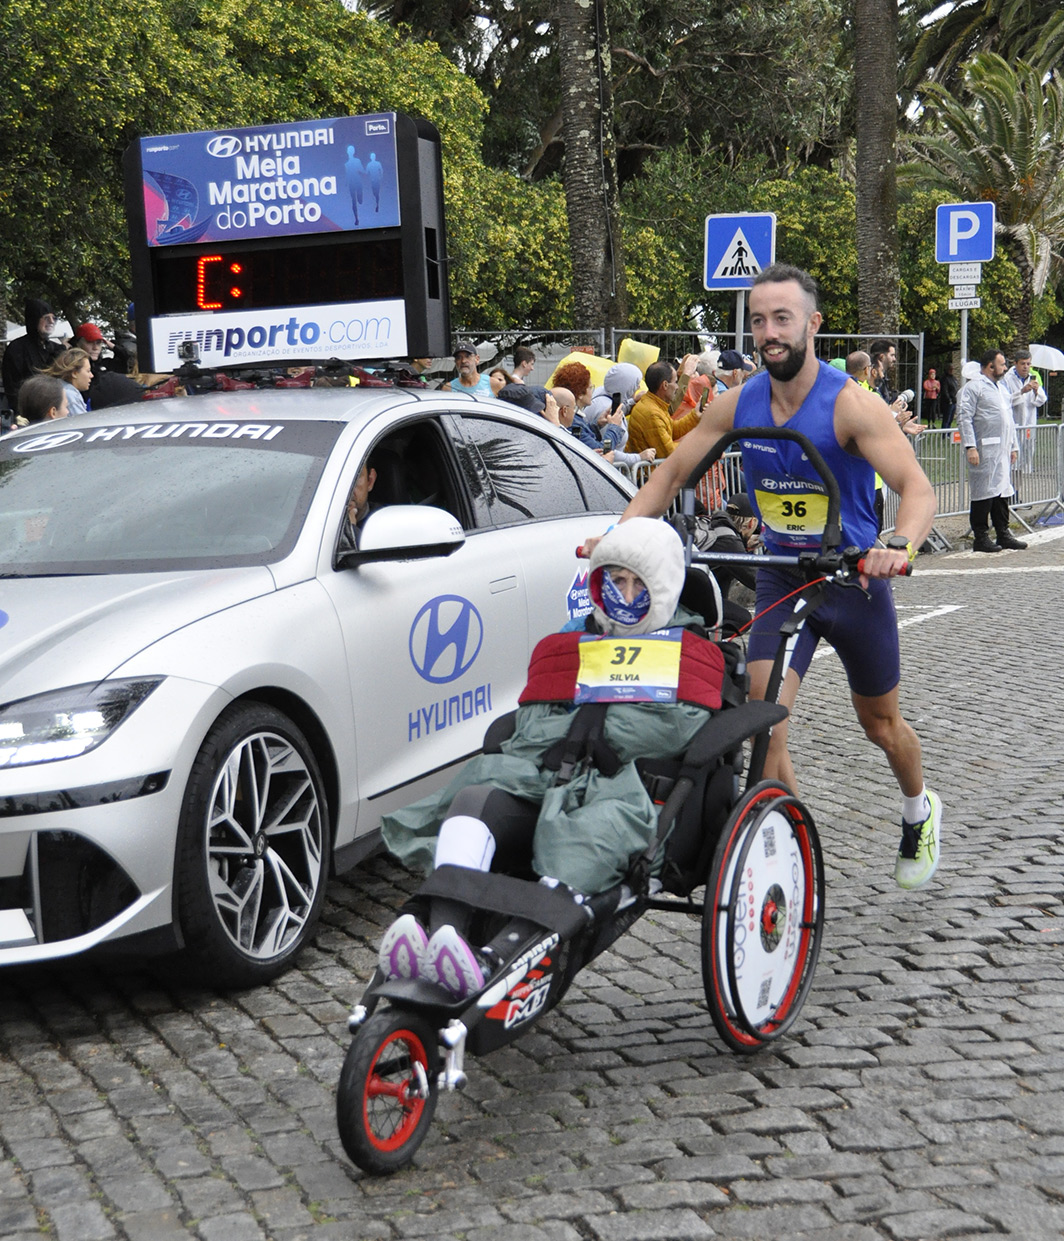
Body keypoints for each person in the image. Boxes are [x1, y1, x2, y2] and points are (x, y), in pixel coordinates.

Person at [584, 264, 941, 890]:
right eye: (758, 320)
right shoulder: (740, 401)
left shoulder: (851, 404)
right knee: (763, 717)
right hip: (784, 578)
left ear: (812, 324)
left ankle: (919, 808)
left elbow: (917, 487)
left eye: (782, 318)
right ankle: (795, 851)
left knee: (880, 725)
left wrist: (898, 544)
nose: (769, 332)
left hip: (854, 582)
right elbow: (669, 476)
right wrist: (616, 542)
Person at [375, 518, 726, 997]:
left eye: (637, 583)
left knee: (580, 839)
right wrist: (582, 727)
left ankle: (492, 959)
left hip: (628, 795)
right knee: (477, 799)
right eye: (614, 580)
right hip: (542, 775)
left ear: (661, 588)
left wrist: (580, 722)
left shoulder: (690, 652)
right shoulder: (572, 640)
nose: (624, 594)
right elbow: (529, 725)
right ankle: (443, 933)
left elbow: (664, 733)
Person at [957, 348, 1025, 552]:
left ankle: (1003, 533)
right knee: (983, 493)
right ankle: (981, 536)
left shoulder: (1001, 388)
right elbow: (964, 417)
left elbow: (1008, 420)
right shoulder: (974, 388)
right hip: (984, 447)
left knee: (1002, 491)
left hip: (1002, 449)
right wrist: (970, 446)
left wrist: (1013, 445)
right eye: (1002, 364)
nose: (1005, 367)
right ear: (990, 366)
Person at [626, 359, 702, 458]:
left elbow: (672, 430)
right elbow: (669, 452)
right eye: (675, 382)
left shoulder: (655, 404)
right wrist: (698, 445)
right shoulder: (652, 413)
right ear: (665, 385)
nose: (677, 387)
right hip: (648, 472)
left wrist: (695, 415)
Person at [2, 299, 61, 409]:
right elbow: (12, 387)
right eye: (46, 318)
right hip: (28, 410)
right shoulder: (17, 348)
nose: (51, 321)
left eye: (54, 318)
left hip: (52, 409)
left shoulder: (55, 348)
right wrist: (19, 412)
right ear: (34, 320)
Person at [1002, 349, 1046, 479]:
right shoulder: (1007, 379)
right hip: (1014, 422)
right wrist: (1021, 392)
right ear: (1015, 364)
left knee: (1027, 453)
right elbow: (1005, 400)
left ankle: (1019, 487)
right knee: (1013, 458)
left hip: (1029, 422)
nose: (1026, 367)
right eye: (1023, 364)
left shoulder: (1033, 378)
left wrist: (1037, 391)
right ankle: (1011, 489)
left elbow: (1042, 400)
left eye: (1028, 364)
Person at [43, 348, 93, 416]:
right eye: (88, 371)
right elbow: (84, 424)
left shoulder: (58, 387)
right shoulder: (70, 396)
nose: (91, 375)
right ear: (74, 373)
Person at [940, 363, 959, 429]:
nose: (952, 371)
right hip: (948, 402)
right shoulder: (945, 378)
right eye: (951, 369)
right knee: (946, 418)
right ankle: (944, 433)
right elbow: (945, 390)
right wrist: (949, 399)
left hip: (954, 400)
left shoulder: (953, 378)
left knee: (950, 418)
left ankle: (948, 433)